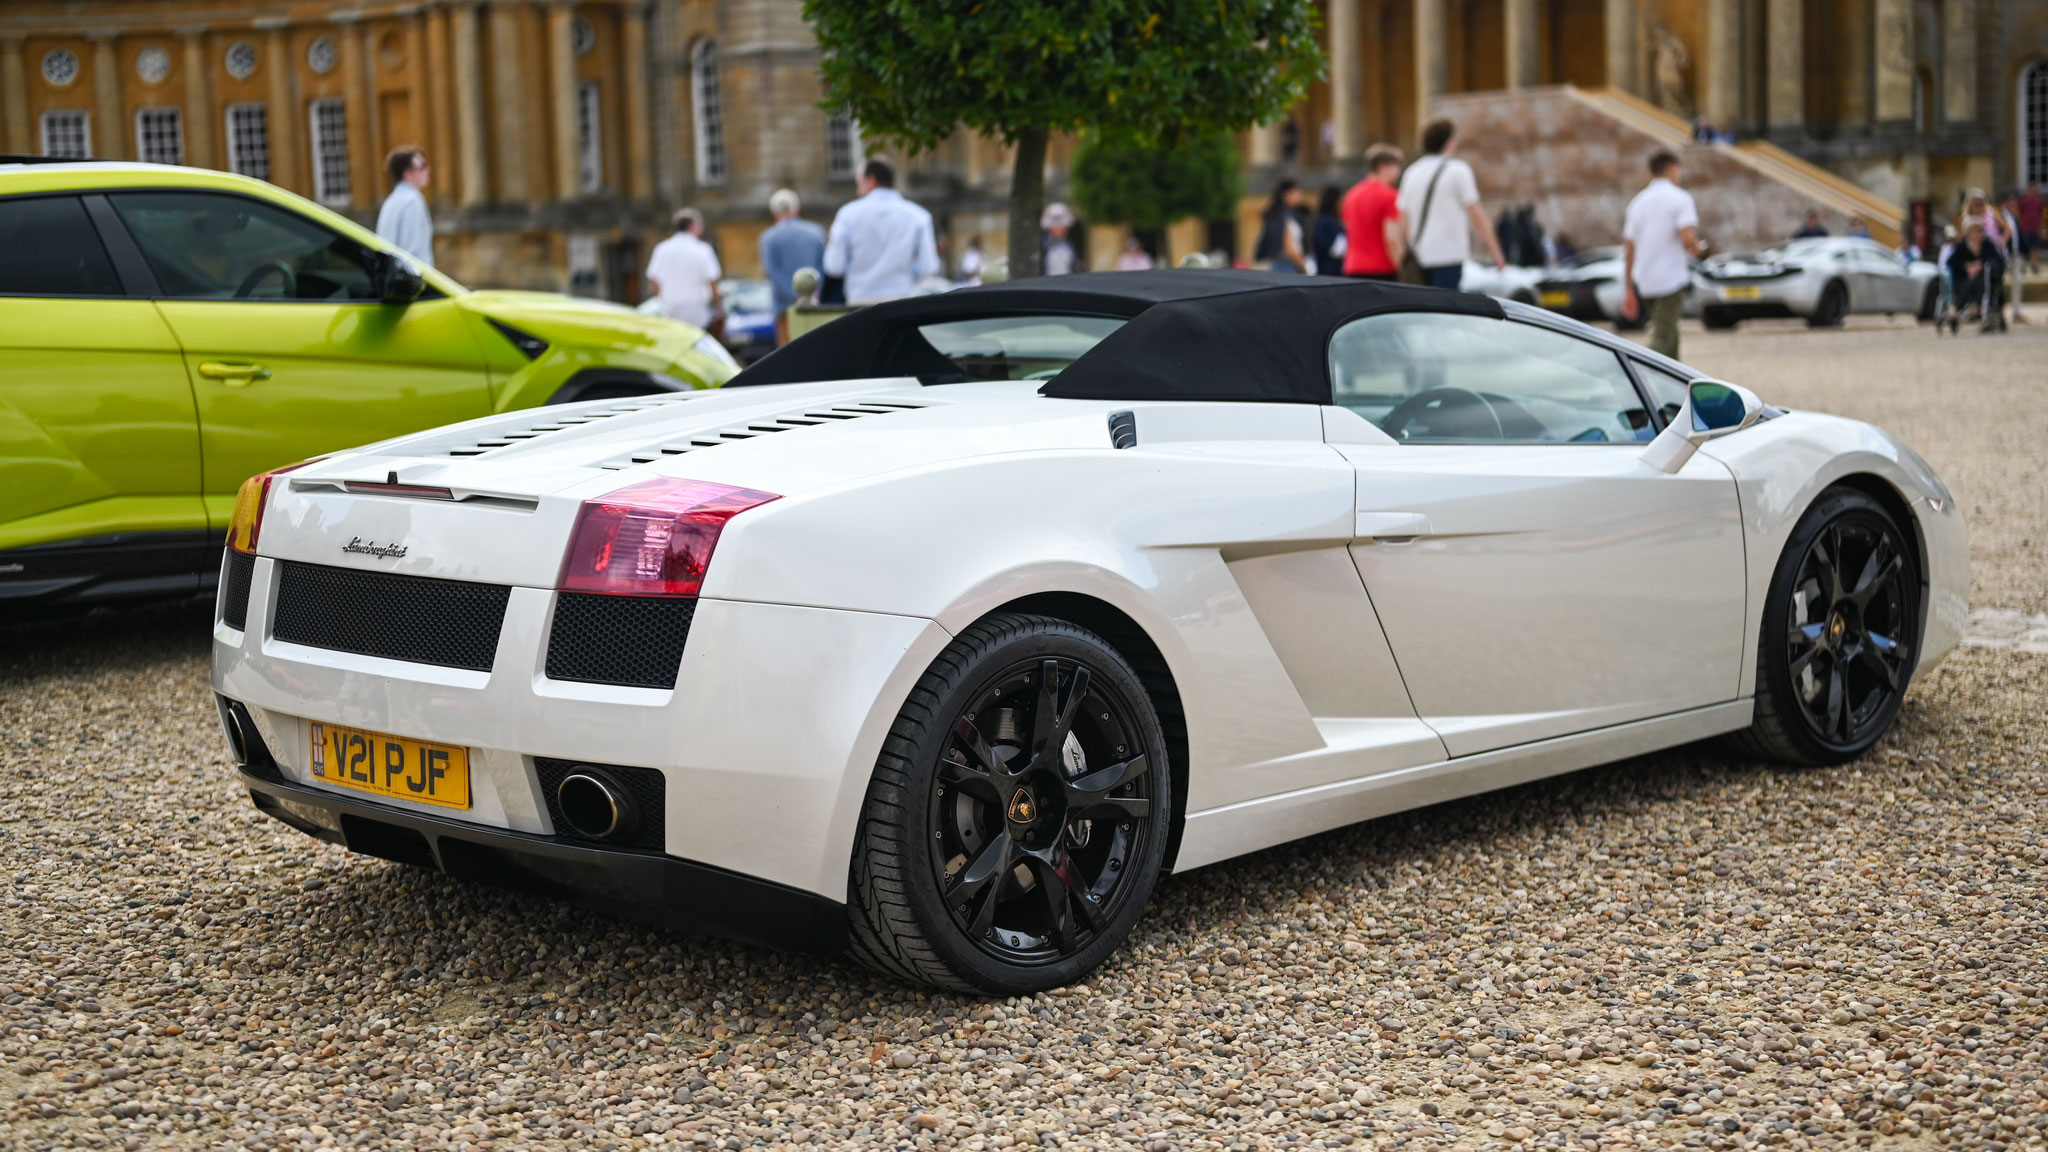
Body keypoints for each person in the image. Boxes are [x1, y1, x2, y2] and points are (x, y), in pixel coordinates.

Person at [1396, 118, 1506, 290]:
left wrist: (1405, 251)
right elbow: (1476, 214)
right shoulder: (1458, 170)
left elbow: (1403, 219)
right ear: (1449, 142)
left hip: (1418, 257)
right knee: (1444, 311)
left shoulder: (1411, 172)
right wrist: (1496, 251)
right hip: (1448, 255)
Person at [1622, 150, 1705, 359]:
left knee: (1669, 334)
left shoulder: (1637, 202)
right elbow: (1687, 239)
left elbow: (1629, 247)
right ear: (1671, 169)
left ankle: (1673, 384)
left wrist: (1628, 288)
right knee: (1662, 336)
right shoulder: (1680, 198)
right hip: (1670, 279)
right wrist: (1701, 250)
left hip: (1646, 280)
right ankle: (1637, 368)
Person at [822, 158, 940, 302]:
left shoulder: (847, 214)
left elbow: (834, 266)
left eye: (858, 183)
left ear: (871, 181)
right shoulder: (918, 215)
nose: (857, 190)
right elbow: (928, 267)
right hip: (901, 297)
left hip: (859, 299)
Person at [758, 188, 825, 346]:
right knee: (814, 346)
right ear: (797, 208)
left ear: (774, 212)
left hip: (783, 305)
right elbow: (823, 266)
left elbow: (771, 270)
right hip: (815, 303)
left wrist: (794, 293)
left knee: (786, 349)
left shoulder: (768, 237)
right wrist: (813, 292)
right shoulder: (816, 232)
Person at [645, 207, 721, 331]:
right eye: (700, 225)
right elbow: (712, 283)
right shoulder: (703, 249)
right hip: (697, 313)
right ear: (692, 227)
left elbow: (654, 284)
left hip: (670, 311)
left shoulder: (661, 249)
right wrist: (719, 310)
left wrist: (664, 299)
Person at [1341, 144, 1405, 281]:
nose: (1399, 172)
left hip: (1353, 267)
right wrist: (1402, 268)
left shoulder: (1351, 195)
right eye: (1396, 167)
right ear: (1383, 167)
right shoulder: (1390, 196)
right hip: (1382, 269)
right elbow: (1392, 238)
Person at [375, 146, 434, 268]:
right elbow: (411, 253)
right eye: (422, 166)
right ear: (407, 173)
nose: (428, 170)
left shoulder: (391, 201)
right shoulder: (412, 201)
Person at [1947, 216, 2007, 332]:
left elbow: (1999, 261)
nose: (1980, 233)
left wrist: (1981, 265)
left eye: (1981, 230)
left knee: (1985, 280)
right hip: (1965, 280)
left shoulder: (1988, 245)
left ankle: (1979, 308)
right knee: (1969, 284)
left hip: (1986, 280)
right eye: (1977, 230)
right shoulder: (1962, 246)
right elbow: (1951, 262)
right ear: (1969, 232)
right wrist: (1967, 267)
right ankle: (1963, 309)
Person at [1253, 179, 1308, 272]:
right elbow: (1289, 246)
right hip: (1287, 264)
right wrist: (1304, 265)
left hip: (1283, 263)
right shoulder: (1283, 217)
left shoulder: (1287, 215)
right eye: (1295, 192)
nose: (1299, 195)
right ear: (1285, 195)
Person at [1311, 185, 1346, 276]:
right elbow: (1325, 247)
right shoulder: (1324, 222)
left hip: (1337, 270)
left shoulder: (1336, 220)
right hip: (1328, 271)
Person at [1042, 203, 1079, 275]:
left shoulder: (1072, 245)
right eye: (1055, 226)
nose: (1059, 229)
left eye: (1062, 226)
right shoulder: (1043, 246)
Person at [2017, 182, 2044, 274]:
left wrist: (2041, 228)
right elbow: (2019, 213)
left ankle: (2035, 265)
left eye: (2034, 191)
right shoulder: (2024, 201)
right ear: (2028, 191)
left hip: (2035, 228)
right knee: (2025, 248)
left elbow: (2041, 215)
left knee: (2035, 248)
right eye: (2031, 191)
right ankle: (2023, 265)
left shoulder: (2039, 201)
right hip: (2026, 228)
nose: (2033, 192)